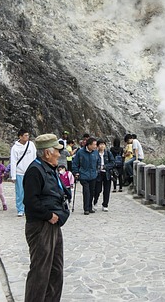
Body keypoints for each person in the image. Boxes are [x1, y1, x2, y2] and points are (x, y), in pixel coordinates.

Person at [23, 134, 70, 302]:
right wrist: (49, 216)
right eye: (57, 150)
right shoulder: (35, 171)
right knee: (40, 272)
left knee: (56, 270)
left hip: (53, 225)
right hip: (41, 226)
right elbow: (30, 201)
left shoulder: (48, 168)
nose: (60, 153)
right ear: (47, 153)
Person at [10, 129, 36, 217]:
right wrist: (13, 176)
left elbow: (34, 157)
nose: (27, 137)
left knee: (31, 191)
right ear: (20, 136)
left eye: (28, 135)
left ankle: (30, 207)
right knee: (20, 192)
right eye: (25, 135)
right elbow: (13, 161)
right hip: (19, 172)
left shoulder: (31, 144)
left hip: (30, 172)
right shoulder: (15, 148)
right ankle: (20, 209)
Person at [73, 137, 99, 215]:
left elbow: (98, 162)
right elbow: (75, 163)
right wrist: (76, 172)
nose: (95, 146)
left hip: (93, 175)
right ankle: (86, 208)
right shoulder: (80, 152)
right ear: (89, 145)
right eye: (94, 144)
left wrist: (97, 171)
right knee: (86, 192)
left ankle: (90, 207)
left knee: (92, 192)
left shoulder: (95, 152)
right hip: (84, 175)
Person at [93, 140, 115, 211]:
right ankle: (95, 202)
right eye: (100, 144)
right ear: (97, 146)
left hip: (107, 173)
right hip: (98, 173)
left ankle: (105, 204)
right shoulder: (95, 153)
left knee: (107, 190)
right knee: (97, 190)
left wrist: (105, 166)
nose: (102, 146)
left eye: (103, 144)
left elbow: (112, 162)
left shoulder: (108, 153)